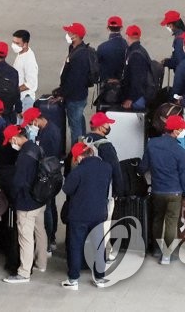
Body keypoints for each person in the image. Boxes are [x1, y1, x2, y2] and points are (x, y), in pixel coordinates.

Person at [60, 141, 113, 289]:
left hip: (79, 214)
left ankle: (73, 279)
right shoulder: (107, 167)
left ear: (78, 157)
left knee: (75, 246)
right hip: (99, 213)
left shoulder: (78, 171)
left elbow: (67, 189)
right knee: (99, 245)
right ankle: (100, 278)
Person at [140, 114, 185, 264]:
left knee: (157, 219)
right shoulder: (179, 150)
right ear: (175, 131)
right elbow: (184, 175)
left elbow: (143, 167)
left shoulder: (152, 144)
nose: (182, 131)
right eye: (181, 128)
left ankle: (156, 249)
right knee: (171, 223)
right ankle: (167, 255)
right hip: (175, 192)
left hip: (157, 190)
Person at [2, 125, 47, 284]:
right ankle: (41, 263)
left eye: (10, 141)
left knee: (25, 238)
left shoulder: (23, 156)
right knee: (40, 231)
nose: (11, 144)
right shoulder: (36, 148)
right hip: (40, 199)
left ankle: (24, 273)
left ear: (15, 138)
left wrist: (13, 197)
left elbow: (18, 182)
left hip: (26, 203)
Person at [23, 106, 62, 251]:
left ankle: (49, 240)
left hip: (48, 177)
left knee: (47, 210)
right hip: (50, 174)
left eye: (30, 122)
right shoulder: (46, 129)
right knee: (50, 207)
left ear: (36, 119)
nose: (30, 126)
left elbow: (46, 157)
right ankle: (51, 237)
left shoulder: (50, 134)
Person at [58, 22, 94, 144]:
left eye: (69, 33)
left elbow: (74, 80)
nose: (67, 34)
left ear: (76, 36)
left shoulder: (80, 56)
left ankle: (77, 150)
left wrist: (62, 94)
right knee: (79, 120)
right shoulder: (74, 49)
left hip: (75, 97)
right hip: (77, 95)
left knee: (75, 127)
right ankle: (84, 144)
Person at [84, 112, 126, 198]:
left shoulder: (81, 141)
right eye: (107, 124)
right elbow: (115, 170)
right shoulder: (106, 146)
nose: (109, 126)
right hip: (99, 191)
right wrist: (119, 193)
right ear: (100, 127)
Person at [119, 26, 152, 110]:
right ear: (139, 36)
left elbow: (137, 80)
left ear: (127, 36)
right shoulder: (141, 50)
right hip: (140, 95)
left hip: (137, 98)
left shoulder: (135, 55)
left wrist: (131, 99)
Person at [96, 16, 127, 93]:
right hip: (123, 86)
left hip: (106, 87)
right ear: (121, 28)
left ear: (107, 28)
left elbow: (96, 67)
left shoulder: (102, 47)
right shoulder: (127, 46)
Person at [11, 30, 39, 112]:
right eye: (13, 42)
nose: (14, 45)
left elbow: (30, 83)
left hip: (25, 100)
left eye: (17, 43)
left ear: (25, 44)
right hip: (20, 98)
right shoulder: (21, 53)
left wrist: (13, 90)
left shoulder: (29, 60)